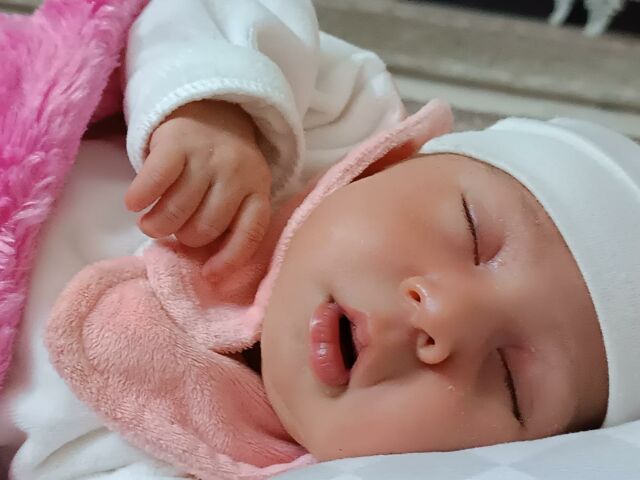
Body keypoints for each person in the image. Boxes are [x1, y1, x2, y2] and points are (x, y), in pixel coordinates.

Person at [2, 0, 639, 478]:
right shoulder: (327, 121)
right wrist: (214, 107)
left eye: (510, 381)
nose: (442, 319)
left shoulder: (215, 454)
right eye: (472, 232)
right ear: (402, 162)